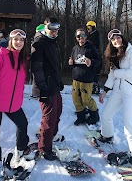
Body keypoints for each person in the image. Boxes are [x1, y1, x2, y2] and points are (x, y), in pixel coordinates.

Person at [0, 29, 30, 178]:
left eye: (21, 40)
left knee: (23, 124)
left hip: (12, 102)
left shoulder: (22, 60)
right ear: (10, 40)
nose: (18, 42)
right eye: (15, 39)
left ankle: (20, 150)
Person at [98, 29, 132, 164]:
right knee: (106, 114)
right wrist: (105, 90)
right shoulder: (113, 55)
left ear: (122, 38)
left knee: (128, 122)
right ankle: (107, 135)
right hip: (117, 90)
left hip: (131, 92)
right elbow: (112, 75)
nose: (116, 40)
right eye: (113, 39)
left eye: (118, 37)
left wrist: (117, 73)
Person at [31, 17, 64, 161]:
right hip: (45, 87)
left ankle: (51, 137)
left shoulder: (52, 42)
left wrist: (59, 81)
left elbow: (53, 67)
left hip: (54, 85)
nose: (55, 31)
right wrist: (42, 88)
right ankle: (44, 148)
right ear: (45, 28)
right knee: (49, 119)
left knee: (57, 113)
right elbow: (36, 69)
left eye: (57, 28)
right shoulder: (39, 43)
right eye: (52, 28)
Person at [69, 28, 101, 126]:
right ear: (76, 38)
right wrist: (71, 63)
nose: (80, 38)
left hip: (87, 79)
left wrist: (91, 62)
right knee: (76, 99)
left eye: (82, 36)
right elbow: (73, 61)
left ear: (86, 37)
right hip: (76, 78)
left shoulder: (91, 48)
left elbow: (98, 61)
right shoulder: (75, 48)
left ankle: (94, 115)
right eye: (78, 36)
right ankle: (81, 117)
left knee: (86, 99)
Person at [30, 24, 46, 98]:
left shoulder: (36, 38)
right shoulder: (40, 38)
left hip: (36, 60)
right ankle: (38, 93)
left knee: (36, 77)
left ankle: (35, 92)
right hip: (39, 60)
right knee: (39, 77)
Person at [86, 21, 101, 94]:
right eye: (87, 28)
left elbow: (94, 46)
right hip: (90, 55)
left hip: (94, 56)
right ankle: (92, 87)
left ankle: (95, 87)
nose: (88, 29)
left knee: (93, 72)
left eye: (89, 27)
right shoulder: (90, 35)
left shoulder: (95, 35)